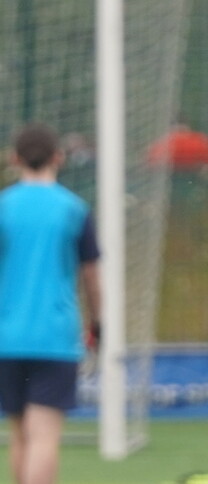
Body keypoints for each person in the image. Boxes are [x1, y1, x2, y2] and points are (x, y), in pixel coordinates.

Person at [0, 123, 102, 484]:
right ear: (58, 157)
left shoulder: (3, 207)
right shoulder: (73, 209)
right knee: (43, 437)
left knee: (20, 435)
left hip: (7, 338)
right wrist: (97, 323)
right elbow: (91, 276)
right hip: (55, 338)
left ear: (14, 159)